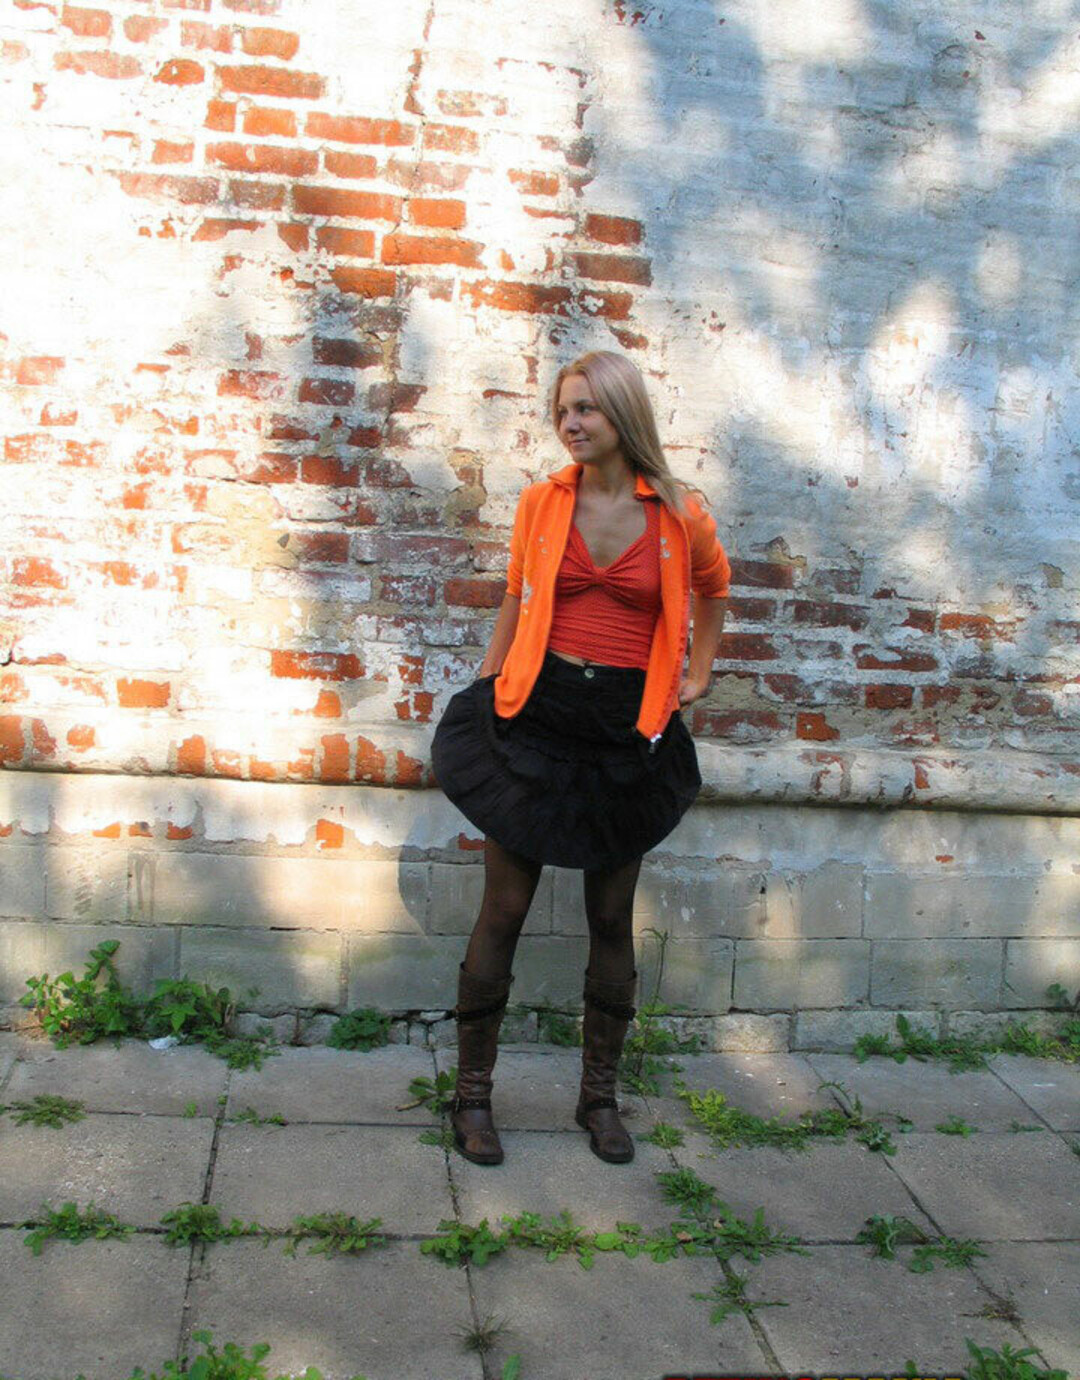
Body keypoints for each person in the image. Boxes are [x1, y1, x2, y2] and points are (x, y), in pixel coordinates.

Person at [431, 349, 730, 1167]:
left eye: (586, 409)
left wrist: (699, 672)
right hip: (537, 712)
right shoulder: (542, 503)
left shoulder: (679, 515)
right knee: (504, 908)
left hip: (625, 728)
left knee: (609, 915)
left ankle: (598, 1099)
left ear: (622, 415)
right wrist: (489, 684)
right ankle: (472, 1097)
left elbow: (714, 588)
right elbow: (515, 597)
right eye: (563, 409)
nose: (570, 423)